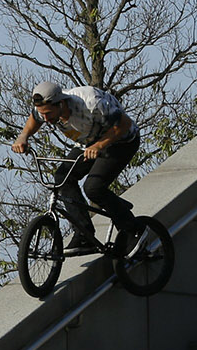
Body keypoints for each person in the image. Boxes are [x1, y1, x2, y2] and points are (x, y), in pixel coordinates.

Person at [10, 81, 142, 254]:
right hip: (89, 144)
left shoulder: (91, 103)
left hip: (121, 141)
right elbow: (34, 119)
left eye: (49, 114)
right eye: (44, 115)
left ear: (61, 103)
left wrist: (100, 145)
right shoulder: (46, 109)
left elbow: (124, 124)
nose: (47, 119)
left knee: (93, 188)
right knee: (63, 179)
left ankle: (132, 229)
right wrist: (23, 137)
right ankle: (84, 235)